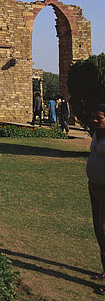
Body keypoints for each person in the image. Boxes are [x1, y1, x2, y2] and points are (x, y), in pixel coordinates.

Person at [87, 104, 105, 295]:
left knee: (104, 230)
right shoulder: (97, 134)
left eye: (98, 118)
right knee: (99, 231)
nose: (94, 121)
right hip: (94, 187)